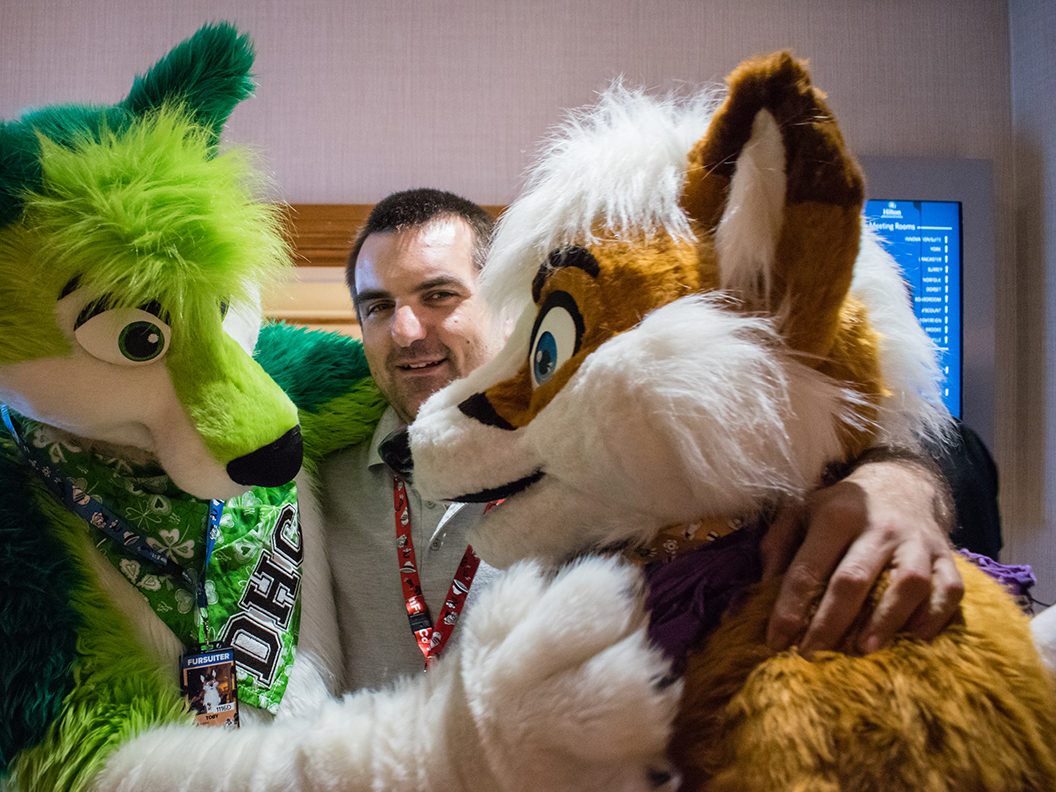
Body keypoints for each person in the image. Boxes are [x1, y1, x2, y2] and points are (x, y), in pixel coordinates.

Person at [318, 188, 963, 692]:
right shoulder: (315, 475)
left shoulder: (599, 443)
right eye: (377, 307)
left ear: (507, 306)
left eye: (438, 295)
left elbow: (805, 446)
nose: (406, 330)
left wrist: (896, 484)